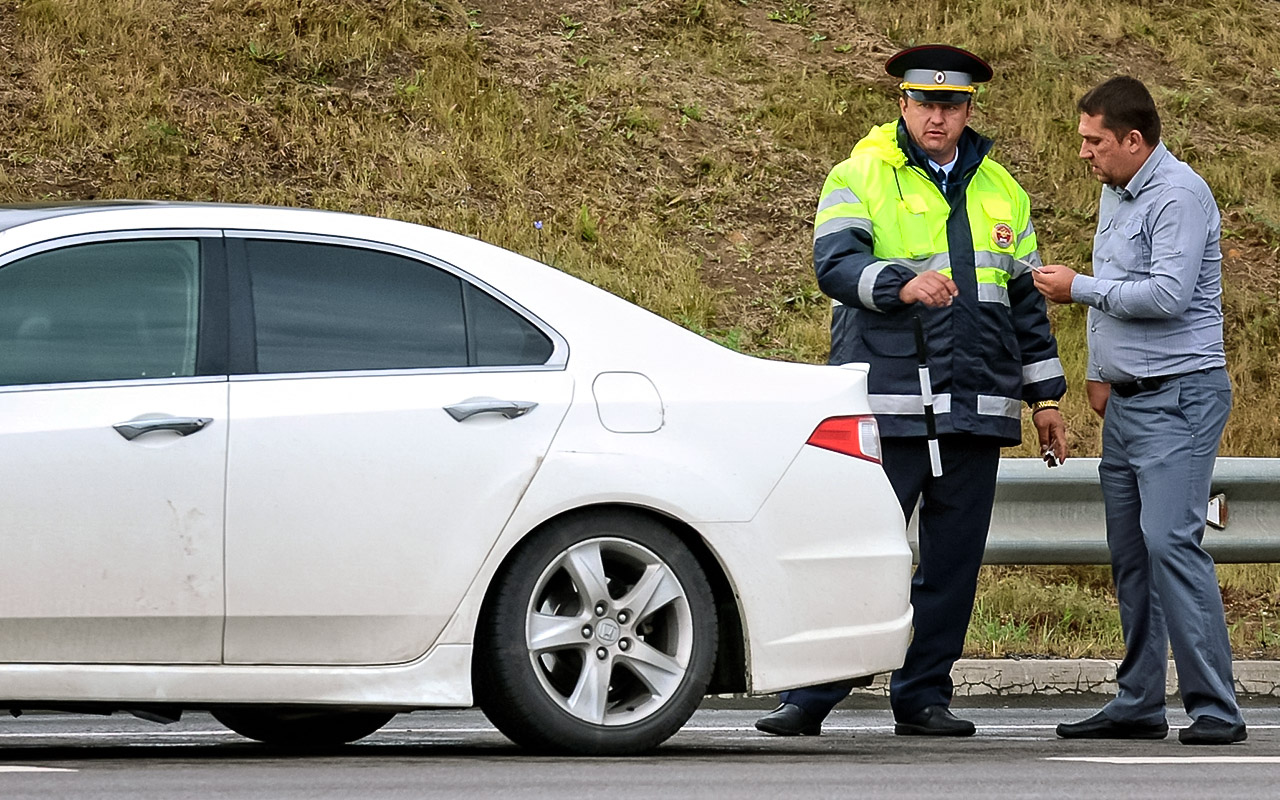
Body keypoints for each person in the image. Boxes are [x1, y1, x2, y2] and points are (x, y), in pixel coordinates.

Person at [755, 44, 1068, 738]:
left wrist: (1044, 400)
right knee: (858, 556)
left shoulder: (1002, 190)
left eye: (951, 105)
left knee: (951, 568)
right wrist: (901, 282)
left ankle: (923, 695)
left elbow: (1026, 308)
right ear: (902, 104)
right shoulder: (860, 173)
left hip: (974, 410)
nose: (937, 116)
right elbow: (835, 265)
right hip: (887, 407)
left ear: (968, 111)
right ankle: (809, 697)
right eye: (925, 103)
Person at [1034, 76, 1246, 745]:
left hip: (1179, 396)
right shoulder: (1116, 191)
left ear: (1134, 139)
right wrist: (1099, 373)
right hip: (1129, 401)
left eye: (1095, 141)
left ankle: (1216, 708)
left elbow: (1167, 295)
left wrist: (1079, 289)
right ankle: (1138, 703)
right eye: (1082, 141)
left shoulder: (1179, 193)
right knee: (1131, 554)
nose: (1084, 153)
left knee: (1170, 545)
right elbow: (1121, 284)